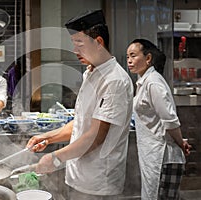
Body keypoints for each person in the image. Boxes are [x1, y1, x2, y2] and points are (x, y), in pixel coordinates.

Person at [26, 10, 134, 200]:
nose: (75, 51)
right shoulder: (91, 73)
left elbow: (95, 136)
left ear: (99, 42)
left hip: (98, 182)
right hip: (77, 176)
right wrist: (47, 138)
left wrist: (55, 158)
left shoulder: (114, 80)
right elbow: (80, 123)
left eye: (80, 44)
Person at [126, 39, 191, 200]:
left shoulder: (154, 83)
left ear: (148, 58)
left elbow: (169, 120)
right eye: (127, 56)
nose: (129, 60)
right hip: (153, 155)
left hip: (164, 157)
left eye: (133, 55)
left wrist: (181, 143)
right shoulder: (144, 81)